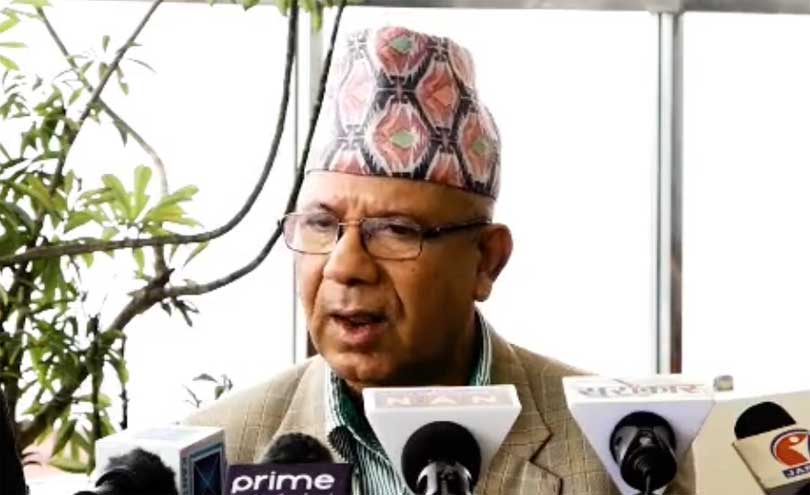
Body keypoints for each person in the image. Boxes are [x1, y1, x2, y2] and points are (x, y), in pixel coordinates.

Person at [186, 26, 695, 494]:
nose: (344, 266)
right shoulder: (216, 453)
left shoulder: (622, 452)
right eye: (321, 224)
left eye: (395, 230)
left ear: (486, 261)